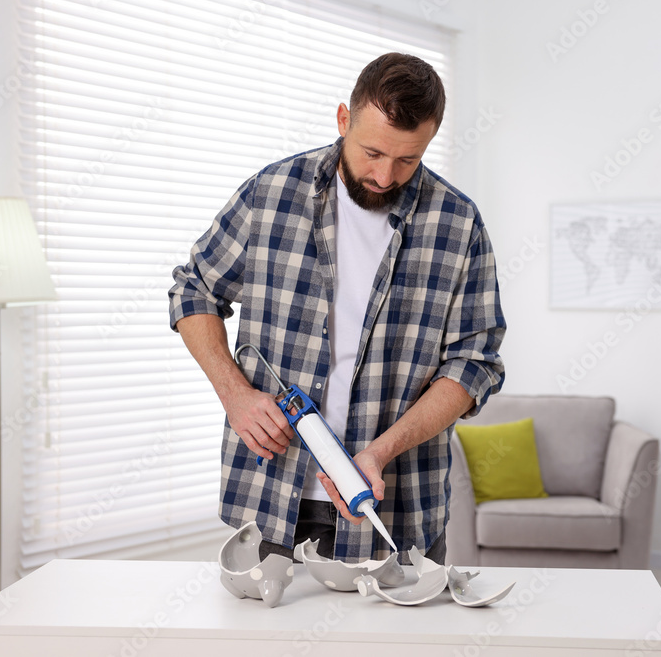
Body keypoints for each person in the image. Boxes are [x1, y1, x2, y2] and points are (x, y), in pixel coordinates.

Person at [169, 52, 504, 564]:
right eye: (372, 152)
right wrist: (235, 394)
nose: (386, 176)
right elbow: (195, 290)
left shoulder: (459, 224)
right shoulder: (273, 193)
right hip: (268, 493)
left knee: (398, 646)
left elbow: (474, 364)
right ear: (344, 119)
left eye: (408, 160)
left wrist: (380, 451)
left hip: (399, 506)